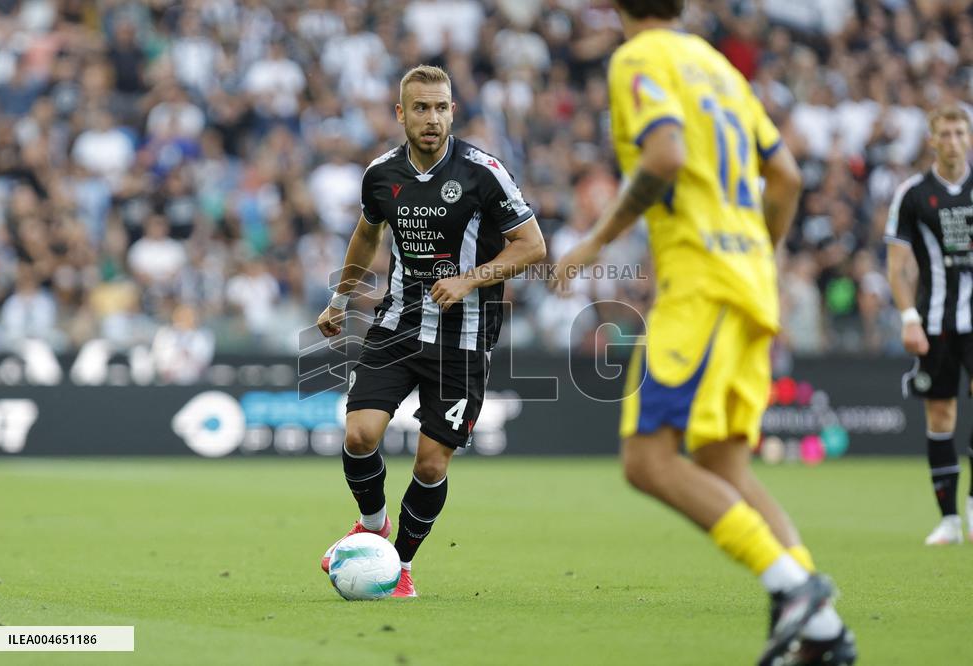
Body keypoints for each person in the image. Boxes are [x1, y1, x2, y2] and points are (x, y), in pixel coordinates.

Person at [552, 2, 856, 664]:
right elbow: (787, 177)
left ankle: (793, 585)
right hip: (750, 283)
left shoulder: (639, 59)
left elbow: (664, 153)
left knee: (648, 460)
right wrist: (757, 254)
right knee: (722, 464)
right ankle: (823, 629)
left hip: (701, 283)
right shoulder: (720, 69)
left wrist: (595, 240)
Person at [316, 65, 546, 597]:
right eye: (421, 108)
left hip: (463, 339)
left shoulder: (483, 171)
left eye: (441, 107)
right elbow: (365, 235)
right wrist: (340, 298)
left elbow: (532, 246)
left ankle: (399, 566)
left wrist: (469, 279)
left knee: (430, 462)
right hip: (397, 324)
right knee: (358, 434)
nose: (432, 118)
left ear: (452, 112)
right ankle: (373, 527)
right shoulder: (380, 175)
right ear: (401, 114)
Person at [885, 106, 973, 546]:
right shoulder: (913, 193)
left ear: (969, 137)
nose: (954, 140)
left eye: (961, 132)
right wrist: (907, 317)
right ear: (933, 140)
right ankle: (950, 520)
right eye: (947, 133)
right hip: (936, 320)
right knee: (941, 415)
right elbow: (899, 265)